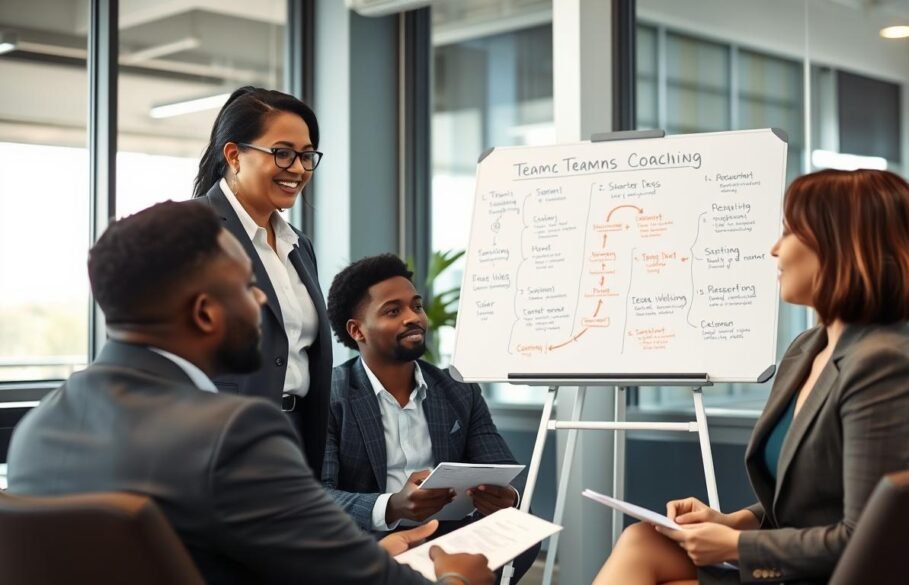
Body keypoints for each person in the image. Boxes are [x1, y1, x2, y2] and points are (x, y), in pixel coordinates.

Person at [6, 202, 493, 585]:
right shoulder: (232, 433)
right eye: (246, 286)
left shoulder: (40, 428)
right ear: (205, 314)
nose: (262, 300)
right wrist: (457, 578)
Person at [593, 169, 909, 585]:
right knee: (643, 541)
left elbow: (865, 537)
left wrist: (734, 546)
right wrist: (731, 522)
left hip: (847, 573)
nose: (774, 248)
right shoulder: (808, 347)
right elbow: (811, 500)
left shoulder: (885, 364)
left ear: (841, 248)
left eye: (789, 232)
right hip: (798, 563)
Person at [321, 253, 538, 583]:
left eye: (416, 306)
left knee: (522, 524)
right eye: (394, 311)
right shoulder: (331, 396)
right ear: (357, 331)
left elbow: (502, 467)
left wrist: (508, 497)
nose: (414, 318)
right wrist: (392, 506)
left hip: (451, 535)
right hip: (373, 539)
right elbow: (321, 497)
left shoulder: (457, 390)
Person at [192, 86, 331, 475]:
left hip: (298, 433)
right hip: (224, 439)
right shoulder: (192, 229)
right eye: (282, 153)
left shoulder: (298, 244)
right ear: (234, 155)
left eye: (306, 155)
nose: (299, 169)